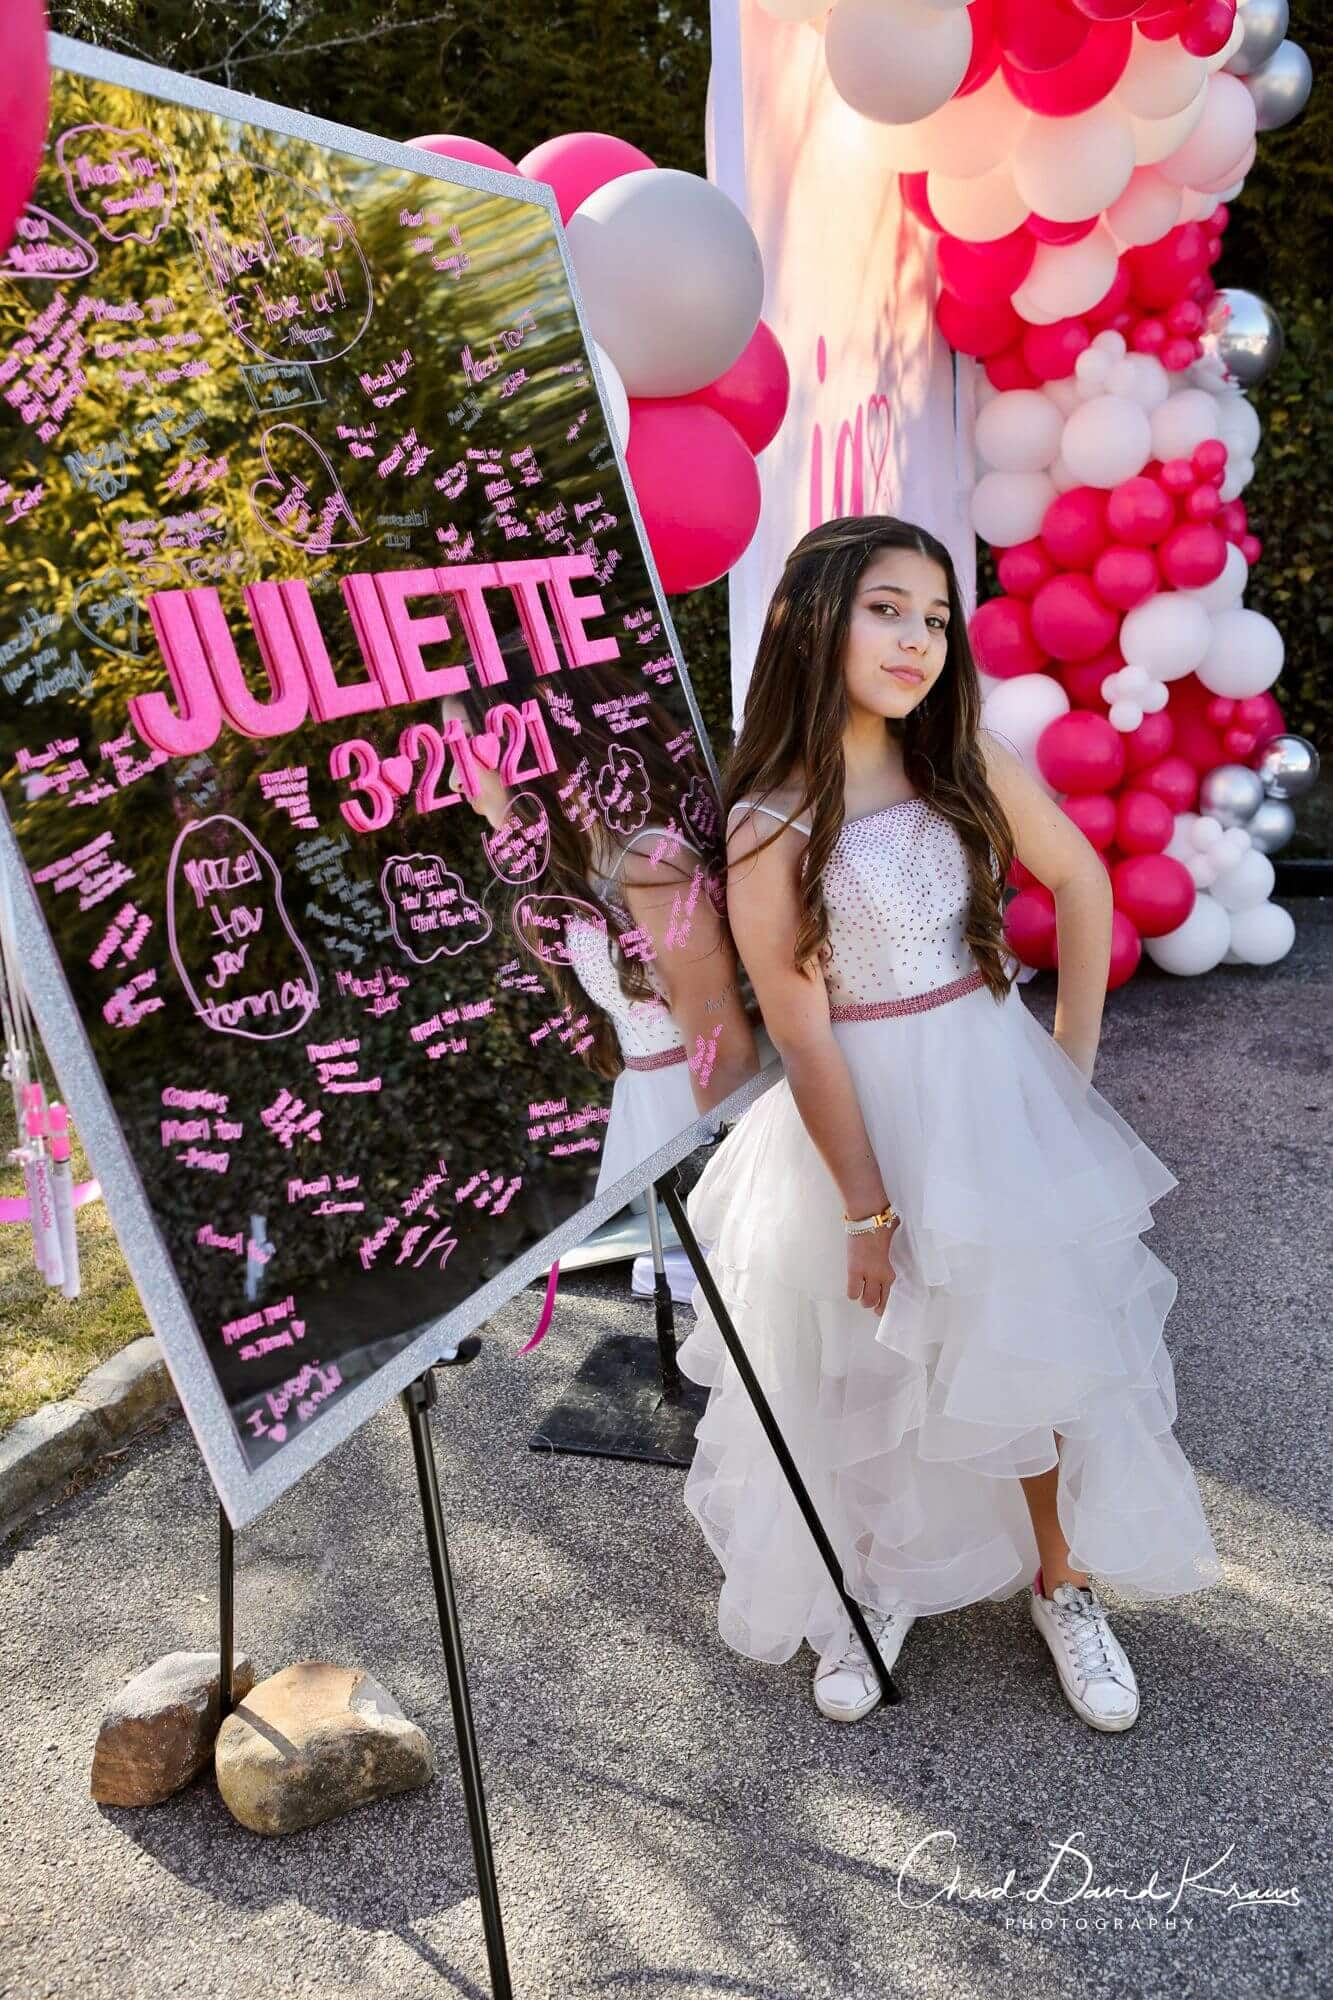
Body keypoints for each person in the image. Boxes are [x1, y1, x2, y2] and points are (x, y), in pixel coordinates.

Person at [676, 515, 1221, 1733]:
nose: (917, 638)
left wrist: (1067, 1063)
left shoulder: (958, 753)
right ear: (814, 618)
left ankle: (1062, 1581)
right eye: (886, 608)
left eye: (933, 616)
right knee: (862, 1350)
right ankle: (877, 1578)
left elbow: (1079, 880)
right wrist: (866, 1208)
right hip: (851, 1121)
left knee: (1026, 1331)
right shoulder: (770, 816)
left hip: (984, 1087)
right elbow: (805, 1035)